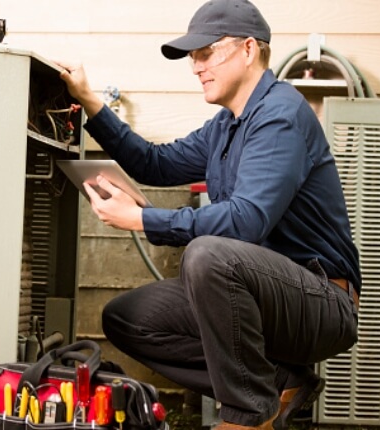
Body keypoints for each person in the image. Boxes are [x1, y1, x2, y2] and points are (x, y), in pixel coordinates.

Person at [57, 0, 361, 428]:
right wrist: (89, 101)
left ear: (249, 50)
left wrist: (144, 220)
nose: (195, 66)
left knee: (208, 255)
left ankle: (246, 415)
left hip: (320, 300)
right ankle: (277, 384)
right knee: (128, 318)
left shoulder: (280, 116)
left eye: (206, 52)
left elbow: (246, 221)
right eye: (192, 57)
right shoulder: (225, 125)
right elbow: (154, 164)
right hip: (258, 293)